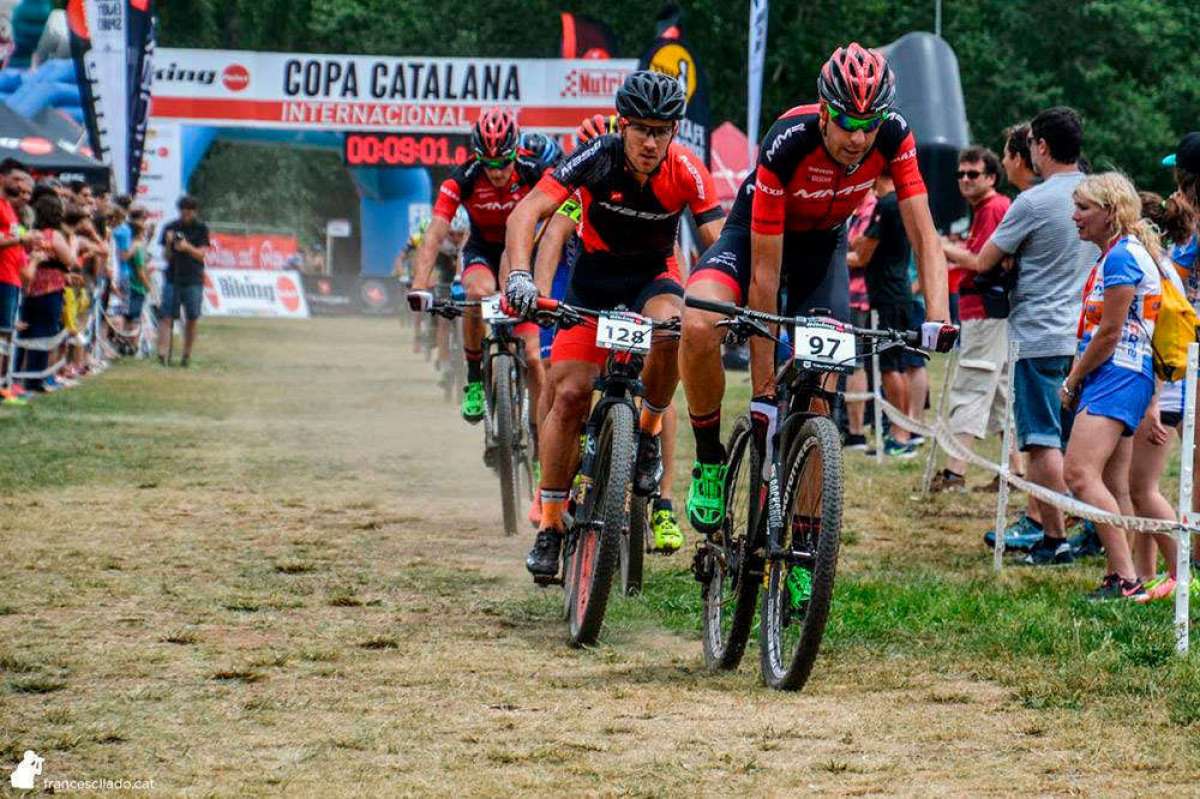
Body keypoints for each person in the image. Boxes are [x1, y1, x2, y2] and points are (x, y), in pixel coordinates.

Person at [678, 43, 956, 534]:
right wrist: (762, 390)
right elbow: (764, 277)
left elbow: (924, 234)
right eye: (848, 123)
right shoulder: (788, 139)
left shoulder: (893, 135)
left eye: (869, 124)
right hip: (754, 238)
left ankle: (805, 545)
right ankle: (708, 458)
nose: (859, 137)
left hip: (822, 249)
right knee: (699, 322)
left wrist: (937, 316)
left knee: (820, 393)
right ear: (825, 112)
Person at [503, 70, 725, 576]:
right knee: (569, 395)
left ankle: (646, 433)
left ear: (675, 131)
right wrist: (521, 279)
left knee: (673, 328)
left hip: (653, 277)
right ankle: (552, 522)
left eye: (662, 130)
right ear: (621, 124)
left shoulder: (688, 169)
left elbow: (717, 240)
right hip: (595, 280)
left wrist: (723, 299)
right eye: (641, 128)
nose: (651, 141)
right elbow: (527, 214)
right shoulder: (596, 157)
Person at [957, 107, 1097, 562]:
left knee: (1041, 440)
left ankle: (1054, 538)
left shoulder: (1033, 202)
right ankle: (1094, 528)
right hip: (1087, 335)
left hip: (1039, 334)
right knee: (1080, 441)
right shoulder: (1096, 194)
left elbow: (983, 261)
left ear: (1041, 147)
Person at [408, 108, 546, 428]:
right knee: (475, 294)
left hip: (523, 253)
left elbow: (560, 211)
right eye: (490, 164)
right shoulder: (463, 178)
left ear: (516, 152)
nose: (497, 172)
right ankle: (473, 380)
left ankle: (541, 449)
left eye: (504, 163)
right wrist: (419, 284)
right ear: (478, 157)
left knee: (537, 361)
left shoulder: (532, 170)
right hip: (483, 250)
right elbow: (435, 233)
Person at [1061, 173, 1163, 599]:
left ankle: (1125, 577)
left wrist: (1073, 378)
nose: (1075, 216)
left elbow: (1109, 332)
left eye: (1084, 208)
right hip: (1120, 374)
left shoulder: (1122, 257)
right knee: (1113, 483)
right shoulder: (1116, 255)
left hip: (1117, 373)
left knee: (1079, 473)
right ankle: (1123, 574)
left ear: (1110, 211)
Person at [932, 146, 1016, 491]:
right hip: (988, 311)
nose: (965, 180)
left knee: (971, 385)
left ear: (991, 178)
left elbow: (982, 260)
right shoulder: (986, 208)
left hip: (986, 309)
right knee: (999, 393)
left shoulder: (994, 207)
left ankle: (955, 472)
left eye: (973, 174)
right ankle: (1014, 472)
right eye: (960, 174)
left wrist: (938, 245)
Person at [846, 173, 917, 457]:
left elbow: (862, 255)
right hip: (896, 292)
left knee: (891, 367)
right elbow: (862, 242)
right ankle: (902, 432)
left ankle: (899, 436)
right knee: (896, 366)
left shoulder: (886, 205)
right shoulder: (899, 202)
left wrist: (841, 253)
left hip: (888, 294)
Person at [17, 192, 74, 392]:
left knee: (23, 335)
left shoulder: (27, 233)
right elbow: (69, 260)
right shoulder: (54, 235)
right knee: (44, 333)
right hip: (50, 289)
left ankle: (16, 377)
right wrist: (73, 243)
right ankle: (35, 378)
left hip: (28, 288)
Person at [156, 195, 210, 367]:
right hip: (173, 276)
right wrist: (169, 243)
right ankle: (163, 354)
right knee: (166, 316)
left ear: (195, 211)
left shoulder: (201, 228)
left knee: (192, 317)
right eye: (183, 210)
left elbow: (202, 254)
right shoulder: (170, 227)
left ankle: (186, 354)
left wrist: (187, 247)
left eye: (190, 210)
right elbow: (166, 256)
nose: (186, 213)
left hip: (193, 277)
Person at [0, 165, 34, 404]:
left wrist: (27, 244)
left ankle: (4, 384)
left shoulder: (8, 209)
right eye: (17, 179)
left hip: (12, 277)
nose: (22, 186)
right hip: (2, 277)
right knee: (2, 334)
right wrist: (22, 238)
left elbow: (13, 240)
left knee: (5, 335)